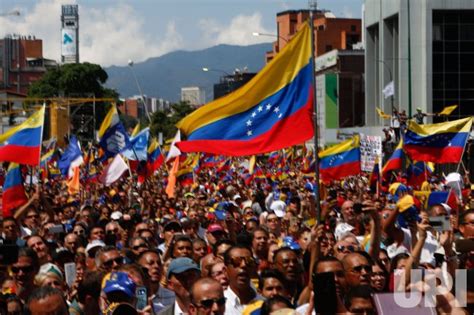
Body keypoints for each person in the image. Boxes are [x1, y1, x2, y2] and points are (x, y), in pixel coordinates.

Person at [223, 245, 262, 315]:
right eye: (236, 261)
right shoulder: (220, 306)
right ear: (225, 271)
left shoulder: (265, 304)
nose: (243, 265)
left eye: (249, 261)